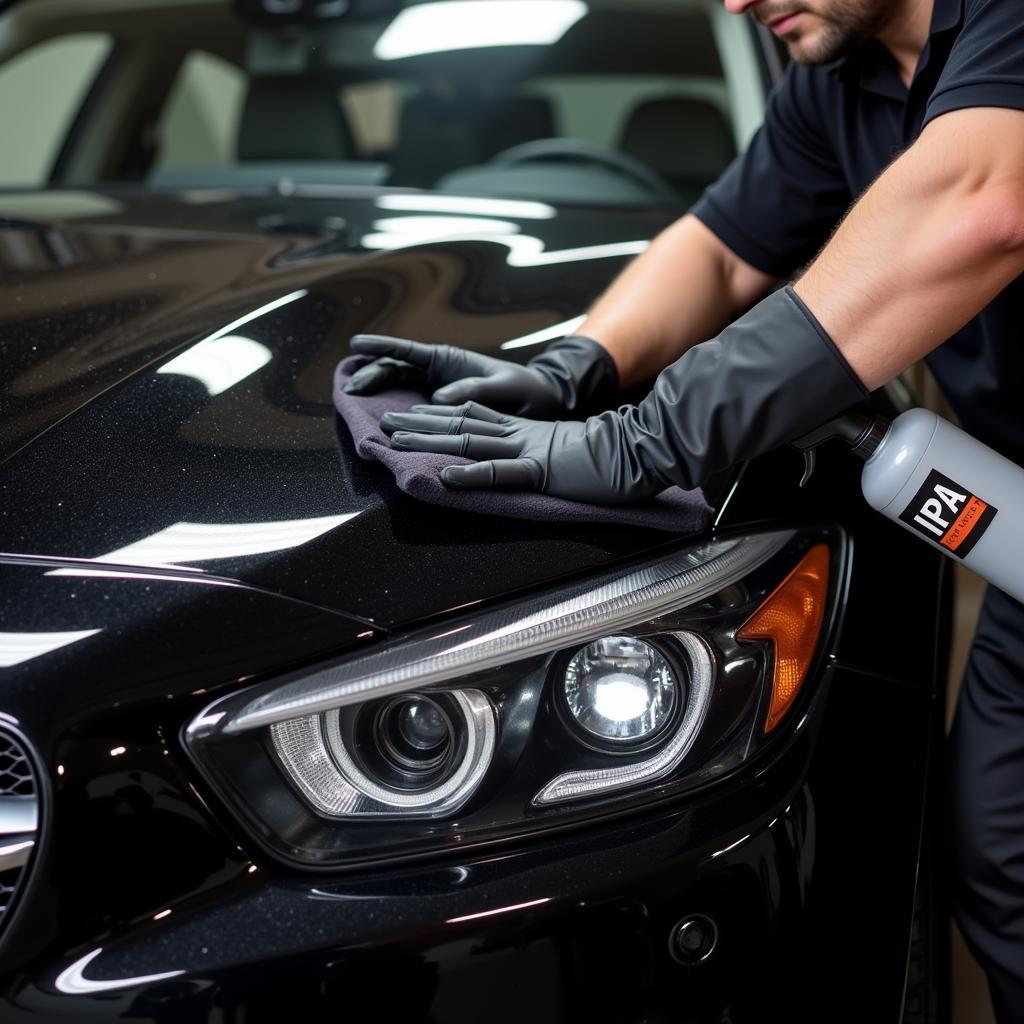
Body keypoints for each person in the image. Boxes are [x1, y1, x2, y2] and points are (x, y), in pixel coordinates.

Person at [344, 0, 1024, 1015]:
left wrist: (647, 438)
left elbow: (978, 205)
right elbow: (720, 247)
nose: (737, 1)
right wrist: (578, 365)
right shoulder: (837, 81)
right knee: (1004, 859)